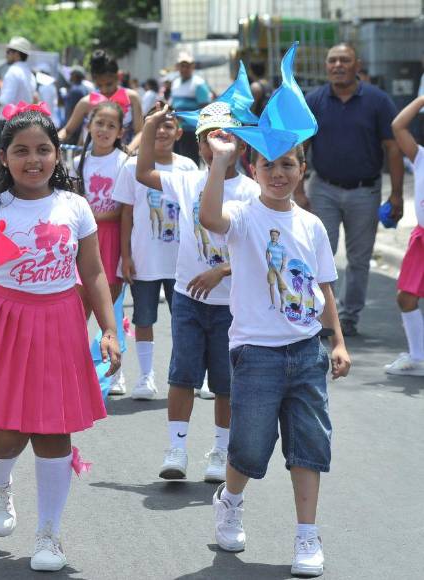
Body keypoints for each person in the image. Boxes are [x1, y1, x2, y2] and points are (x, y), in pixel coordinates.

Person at [0, 108, 120, 573]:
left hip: (60, 320)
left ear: (56, 155)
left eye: (42, 150)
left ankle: (50, 535)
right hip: (6, 319)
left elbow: (93, 272)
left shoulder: (74, 206)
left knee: (55, 429)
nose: (32, 159)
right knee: (8, 428)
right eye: (21, 151)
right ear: (4, 157)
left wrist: (110, 329)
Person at [199, 131, 350, 578]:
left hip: (306, 352)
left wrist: (337, 340)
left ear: (302, 169)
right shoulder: (244, 217)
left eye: (288, 163)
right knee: (249, 447)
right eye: (269, 165)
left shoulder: (312, 225)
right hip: (256, 354)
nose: (278, 173)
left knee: (309, 445)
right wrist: (219, 162)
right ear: (253, 171)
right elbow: (209, 217)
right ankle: (231, 500)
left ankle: (307, 534)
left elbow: (323, 288)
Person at [136, 101, 259, 483]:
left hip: (232, 305)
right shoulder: (188, 179)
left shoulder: (252, 191)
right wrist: (151, 124)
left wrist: (220, 271)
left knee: (225, 383)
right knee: (181, 376)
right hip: (190, 299)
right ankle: (177, 448)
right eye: (209, 138)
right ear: (200, 145)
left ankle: (220, 450)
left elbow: (257, 254)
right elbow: (143, 172)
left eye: (226, 136)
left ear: (241, 144)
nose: (217, 145)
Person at [296, 43, 404, 337]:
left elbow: (393, 149)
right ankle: (317, 315)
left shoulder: (378, 101)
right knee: (318, 254)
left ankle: (349, 318)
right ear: (326, 66)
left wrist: (396, 194)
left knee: (358, 260)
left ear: (357, 65)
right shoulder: (314, 100)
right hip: (323, 190)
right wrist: (299, 190)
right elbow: (300, 148)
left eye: (345, 60)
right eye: (332, 60)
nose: (338, 65)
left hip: (364, 192)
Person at [113, 104, 197, 400]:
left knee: (185, 322)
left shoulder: (188, 167)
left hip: (182, 262)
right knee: (144, 319)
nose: (162, 131)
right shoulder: (130, 166)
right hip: (145, 259)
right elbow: (125, 214)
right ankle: (146, 377)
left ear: (179, 132)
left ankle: (188, 378)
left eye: (168, 125)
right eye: (156, 124)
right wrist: (125, 255)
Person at [75, 101, 130, 394]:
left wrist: (91, 218)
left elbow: (124, 211)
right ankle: (75, 366)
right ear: (89, 125)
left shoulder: (123, 161)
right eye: (99, 123)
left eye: (111, 125)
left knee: (109, 305)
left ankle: (115, 370)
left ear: (120, 131)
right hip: (84, 241)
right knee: (79, 306)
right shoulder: (78, 162)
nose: (104, 130)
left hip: (110, 238)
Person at [385, 95, 424, 376]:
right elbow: (398, 126)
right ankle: (418, 356)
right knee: (406, 297)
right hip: (421, 239)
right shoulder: (421, 156)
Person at [59, 50, 144, 149]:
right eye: (99, 85)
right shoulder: (86, 102)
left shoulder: (132, 98)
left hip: (125, 158)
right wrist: (54, 140)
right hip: (92, 159)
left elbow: (140, 132)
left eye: (109, 84)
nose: (105, 89)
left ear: (118, 76)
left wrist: (128, 151)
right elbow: (67, 131)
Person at [168, 52, 212, 165]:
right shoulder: (175, 82)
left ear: (192, 67)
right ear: (178, 67)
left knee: (190, 161)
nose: (184, 68)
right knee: (176, 161)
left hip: (191, 130)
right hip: (177, 129)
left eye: (187, 65)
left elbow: (205, 108)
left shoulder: (198, 84)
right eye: (182, 65)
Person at [0, 37, 37, 116]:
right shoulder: (30, 74)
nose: (6, 55)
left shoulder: (13, 71)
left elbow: (6, 100)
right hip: (25, 120)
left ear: (17, 54)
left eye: (8, 52)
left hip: (11, 122)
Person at [63, 66, 90, 146]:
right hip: (79, 127)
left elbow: (71, 110)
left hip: (73, 128)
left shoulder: (76, 90)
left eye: (71, 74)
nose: (70, 76)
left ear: (75, 76)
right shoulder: (84, 88)